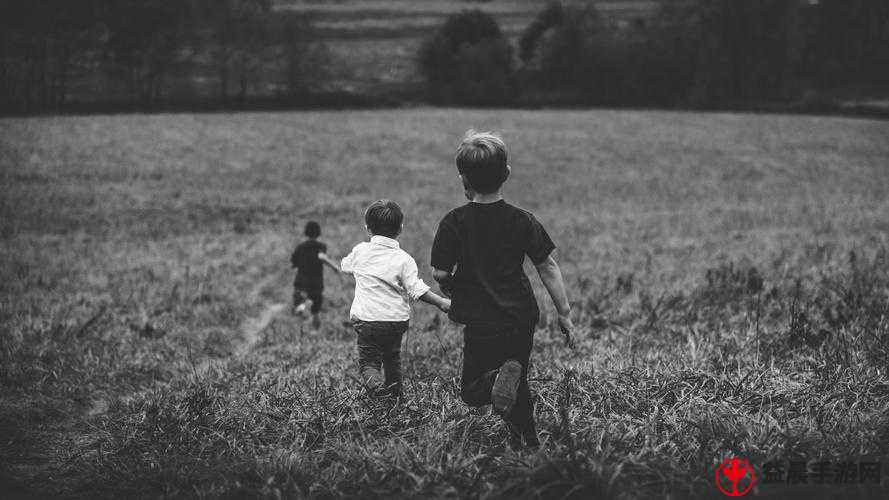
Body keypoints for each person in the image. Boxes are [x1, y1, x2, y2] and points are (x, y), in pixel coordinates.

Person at [430, 130, 575, 449]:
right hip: (519, 319)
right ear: (506, 174)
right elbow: (547, 266)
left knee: (472, 389)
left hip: (481, 322)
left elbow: (440, 271)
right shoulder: (523, 220)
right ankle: (528, 443)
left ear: (462, 178)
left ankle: (497, 382)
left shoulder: (454, 222)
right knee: (516, 383)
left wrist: (450, 286)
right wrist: (563, 313)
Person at [341, 200, 451, 397]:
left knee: (369, 363)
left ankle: (377, 390)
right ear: (400, 228)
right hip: (395, 321)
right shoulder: (404, 259)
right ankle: (395, 397)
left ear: (367, 229)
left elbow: (346, 266)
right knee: (392, 358)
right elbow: (416, 289)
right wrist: (441, 302)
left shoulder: (360, 251)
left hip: (367, 320)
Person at [291, 221, 339, 328]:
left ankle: (303, 308)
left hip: (301, 281)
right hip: (316, 283)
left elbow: (294, 264)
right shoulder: (321, 246)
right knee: (316, 310)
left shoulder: (300, 247)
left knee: (299, 301)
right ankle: (315, 329)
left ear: (306, 232)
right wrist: (335, 267)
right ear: (318, 233)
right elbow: (322, 257)